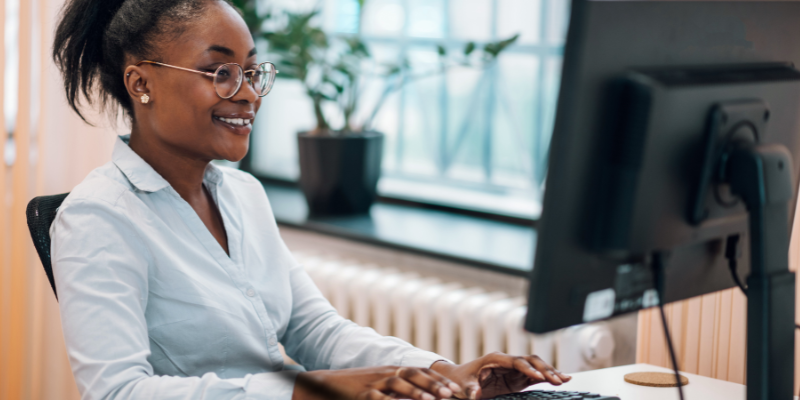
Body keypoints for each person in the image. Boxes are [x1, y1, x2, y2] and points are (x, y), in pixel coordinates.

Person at [49, 0, 572, 399]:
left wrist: (442, 373)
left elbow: (314, 329)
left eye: (251, 72)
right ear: (142, 83)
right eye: (221, 72)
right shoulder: (98, 219)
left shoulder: (243, 195)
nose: (250, 93)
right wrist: (308, 389)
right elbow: (119, 391)